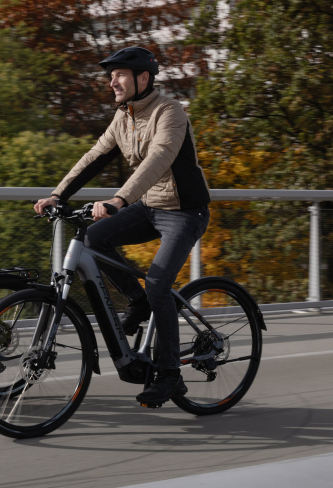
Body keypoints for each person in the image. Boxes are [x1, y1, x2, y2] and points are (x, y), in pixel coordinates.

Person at [33, 46, 211, 407]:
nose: (111, 81)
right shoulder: (124, 117)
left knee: (161, 283)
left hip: (183, 211)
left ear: (143, 78)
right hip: (147, 206)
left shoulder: (170, 111)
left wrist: (119, 200)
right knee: (94, 241)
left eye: (119, 74)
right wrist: (58, 194)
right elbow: (95, 156)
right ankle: (138, 300)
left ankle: (171, 375)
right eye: (109, 75)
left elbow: (159, 159)